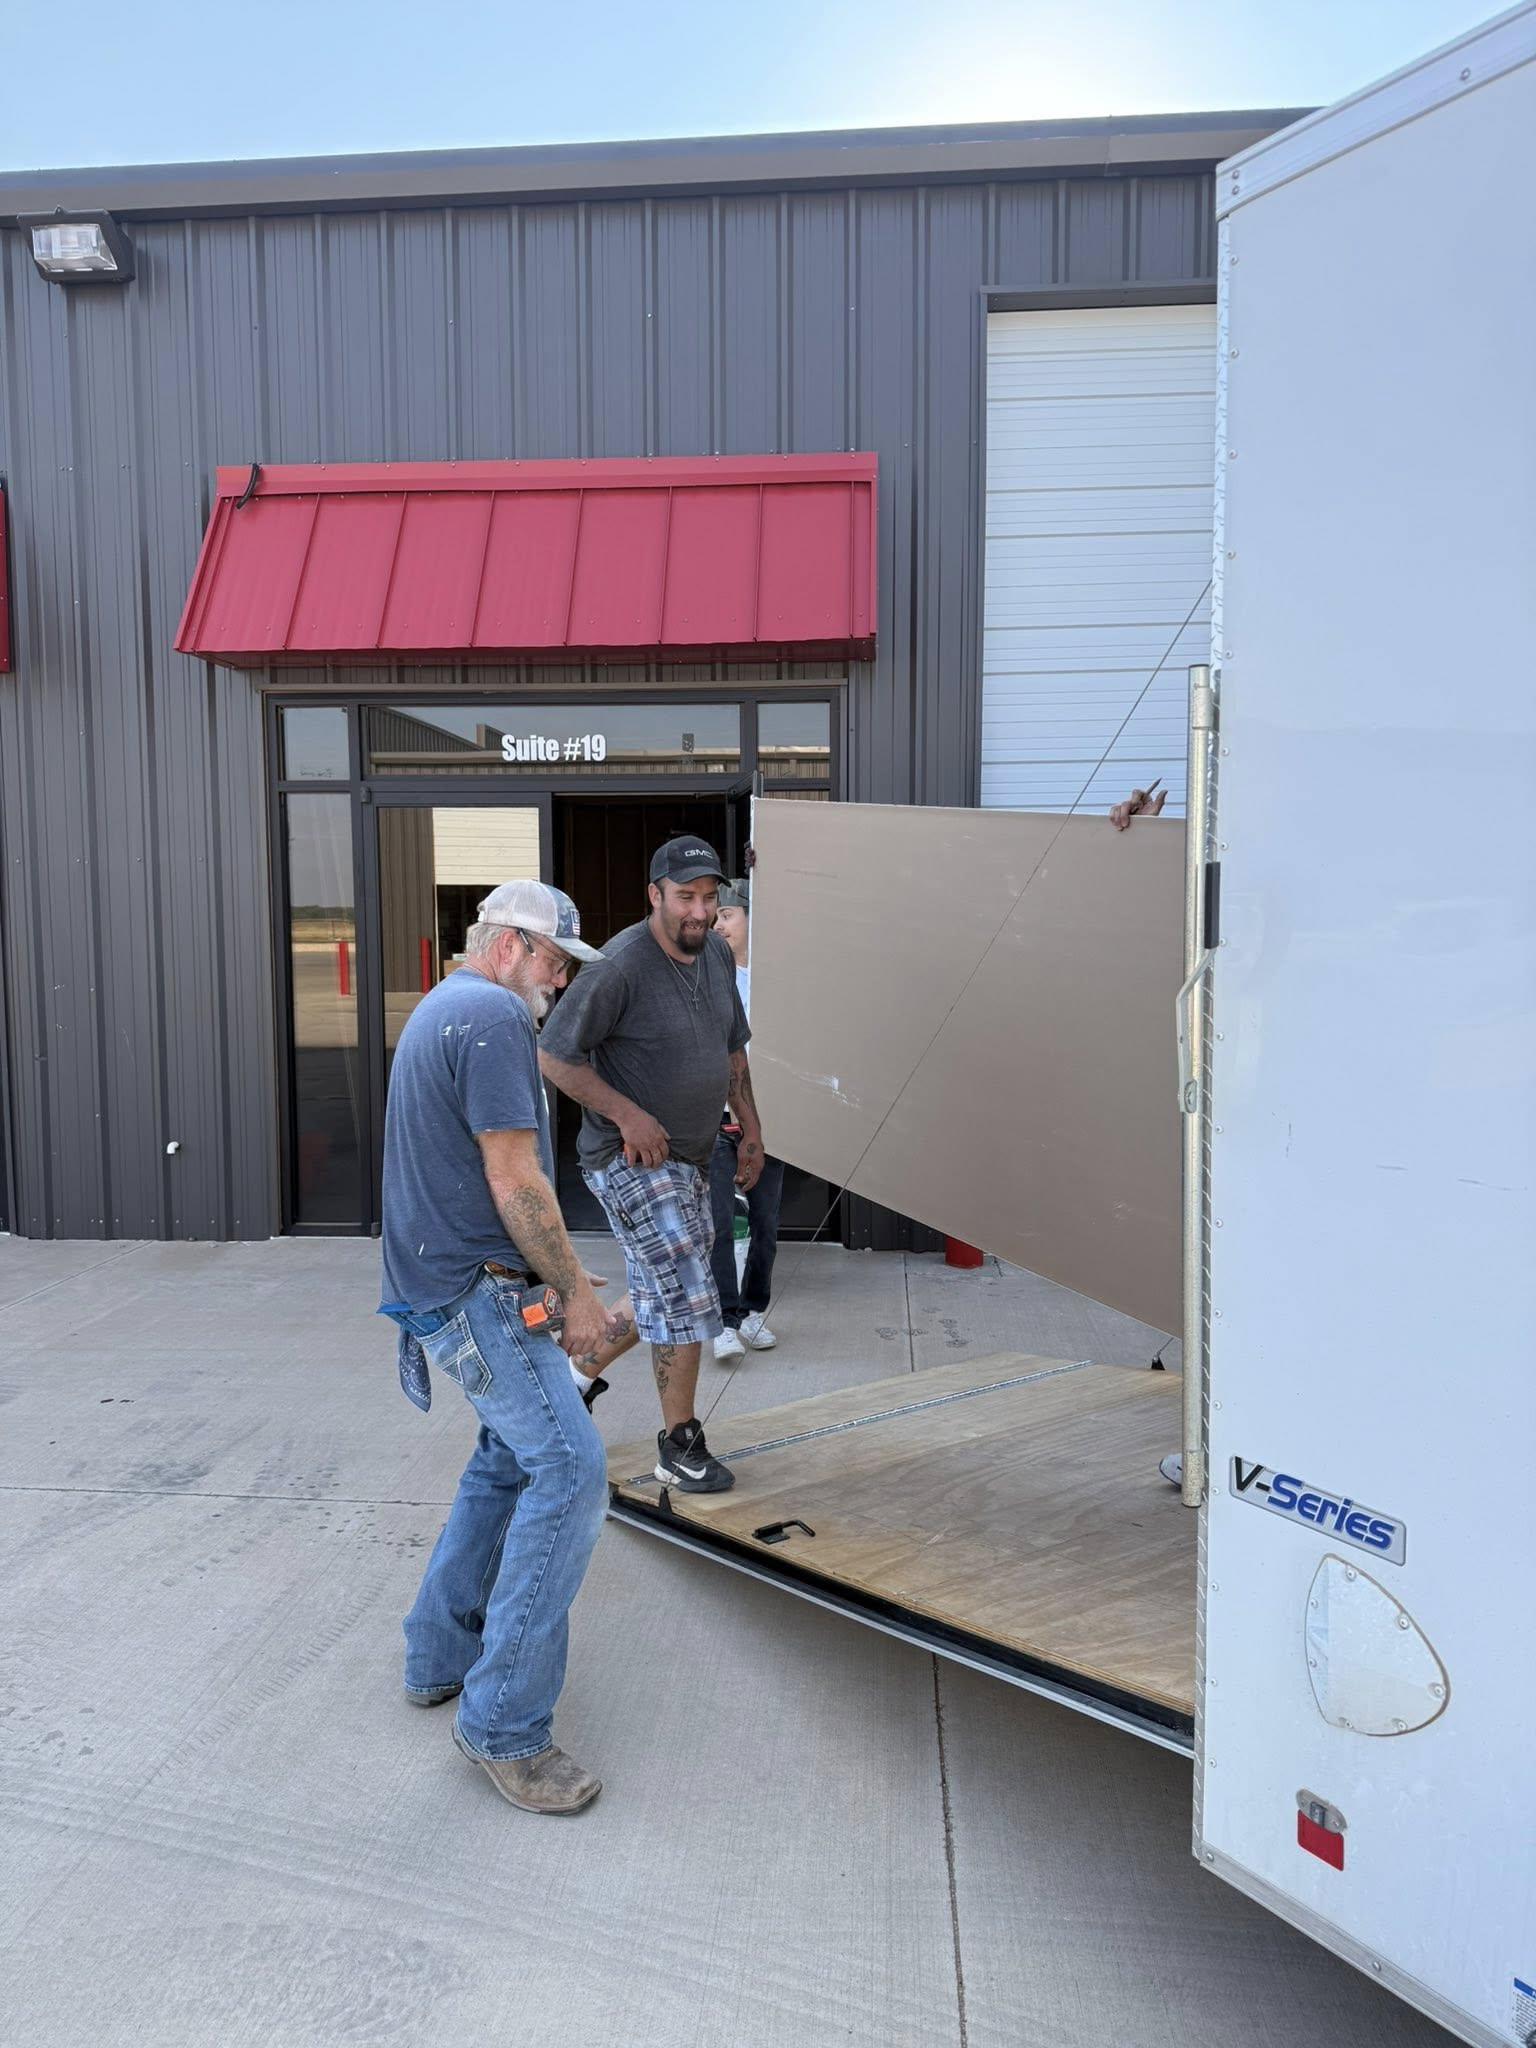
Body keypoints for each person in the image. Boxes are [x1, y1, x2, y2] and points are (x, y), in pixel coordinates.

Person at [380, 878, 631, 1817]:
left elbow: (473, 1178)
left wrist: (551, 1270)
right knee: (568, 1469)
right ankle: (505, 1727)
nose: (559, 983)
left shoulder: (442, 1006)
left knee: (507, 1464)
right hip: (476, 1294)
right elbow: (513, 1172)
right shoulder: (490, 1015)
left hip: (450, 1283)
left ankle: (437, 1654)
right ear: (511, 944)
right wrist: (568, 1292)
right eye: (556, 962)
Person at [539, 836, 765, 1494]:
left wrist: (750, 1126)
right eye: (685, 898)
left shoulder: (718, 955)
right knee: (688, 1284)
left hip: (692, 1155)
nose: (699, 911)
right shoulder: (619, 967)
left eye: (708, 898)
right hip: (627, 1157)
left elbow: (732, 1052)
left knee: (665, 1292)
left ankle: (573, 1376)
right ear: (655, 896)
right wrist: (626, 1114)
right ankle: (679, 1444)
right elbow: (554, 1057)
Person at [708, 882, 785, 1362]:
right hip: (716, 1119)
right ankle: (723, 1319)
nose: (717, 925)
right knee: (719, 1220)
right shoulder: (706, 976)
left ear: (754, 918)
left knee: (765, 1223)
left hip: (769, 1117)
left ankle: (753, 1310)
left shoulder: (778, 980)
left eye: (727, 915)